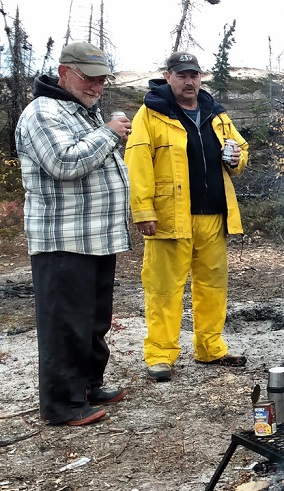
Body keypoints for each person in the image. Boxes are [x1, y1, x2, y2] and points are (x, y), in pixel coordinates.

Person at [16, 41, 132, 425]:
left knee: (94, 319)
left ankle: (87, 385)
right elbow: (64, 163)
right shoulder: (41, 112)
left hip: (96, 236)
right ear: (65, 72)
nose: (97, 87)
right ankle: (62, 405)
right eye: (90, 79)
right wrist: (110, 133)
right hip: (63, 239)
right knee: (66, 322)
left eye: (102, 80)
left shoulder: (80, 111)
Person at [125, 51, 249, 381]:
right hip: (170, 217)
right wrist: (143, 210)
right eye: (182, 74)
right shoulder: (150, 114)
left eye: (194, 74)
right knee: (164, 288)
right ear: (168, 76)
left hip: (213, 215)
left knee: (212, 286)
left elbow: (240, 150)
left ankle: (210, 348)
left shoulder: (216, 113)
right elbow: (138, 164)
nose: (189, 80)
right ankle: (160, 356)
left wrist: (236, 157)